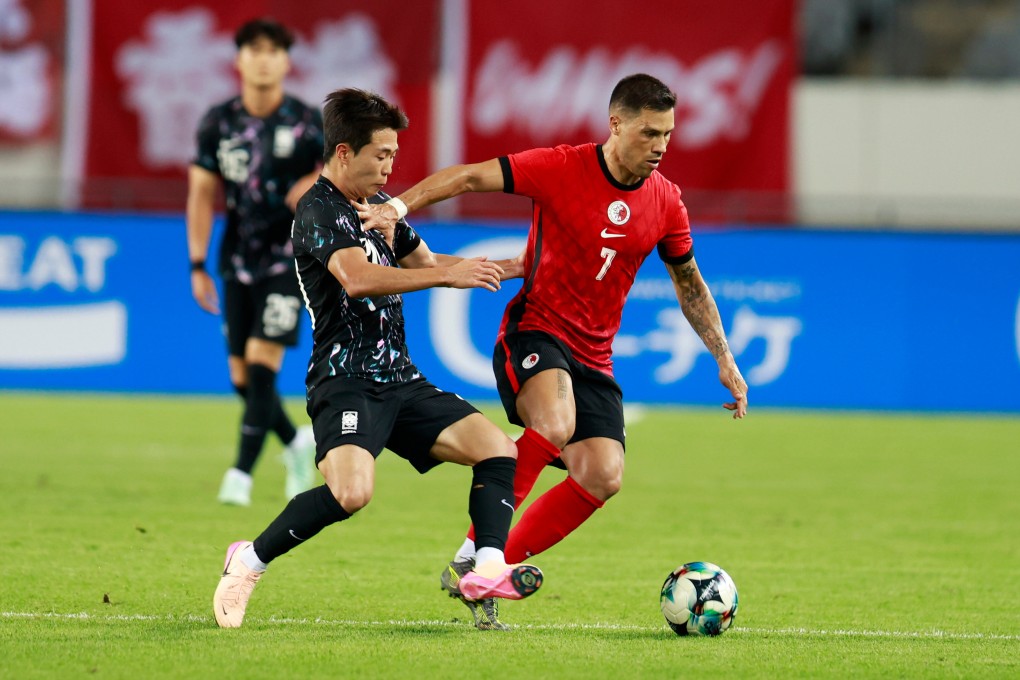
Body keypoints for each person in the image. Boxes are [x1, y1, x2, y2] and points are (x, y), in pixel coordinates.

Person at [356, 73, 748, 629]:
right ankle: (477, 556)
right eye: (649, 132)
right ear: (616, 124)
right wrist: (397, 207)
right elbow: (469, 176)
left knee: (603, 474)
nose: (660, 146)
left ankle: (494, 565)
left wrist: (724, 359)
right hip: (534, 333)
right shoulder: (561, 167)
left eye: (668, 134)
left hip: (594, 357)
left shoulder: (666, 202)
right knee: (556, 421)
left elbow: (689, 282)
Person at [212, 88, 544, 629]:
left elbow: (428, 260)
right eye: (381, 155)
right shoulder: (318, 209)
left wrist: (516, 264)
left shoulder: (378, 210)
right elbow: (358, 278)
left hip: (401, 379)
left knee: (497, 451)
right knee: (351, 493)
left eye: (394, 154)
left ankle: (483, 566)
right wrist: (444, 276)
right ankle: (247, 561)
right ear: (344, 152)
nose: (391, 167)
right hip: (345, 382)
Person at [186, 18, 322, 506]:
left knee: (264, 364)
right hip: (236, 259)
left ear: (286, 61)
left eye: (273, 50)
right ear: (239, 59)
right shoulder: (218, 122)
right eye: (254, 50)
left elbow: (344, 176)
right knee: (241, 378)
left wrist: (317, 183)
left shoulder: (309, 122)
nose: (263, 59)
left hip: (290, 260)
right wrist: (197, 263)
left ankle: (239, 475)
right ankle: (295, 441)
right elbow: (201, 195)